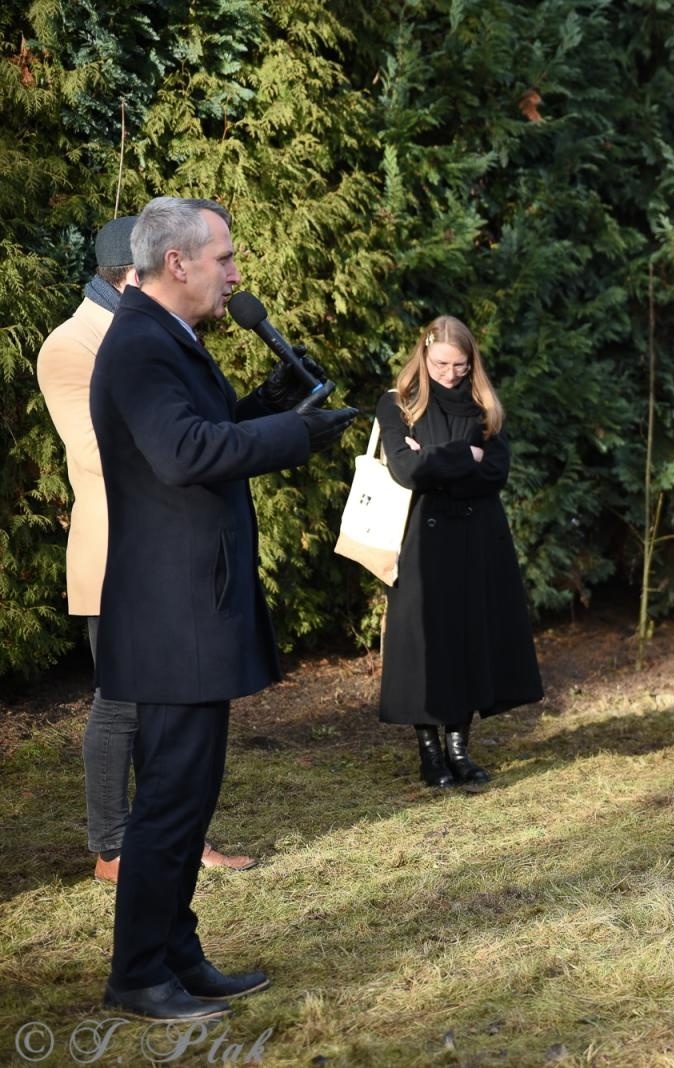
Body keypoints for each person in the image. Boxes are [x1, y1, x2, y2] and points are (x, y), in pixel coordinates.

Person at [89, 196, 357, 1021]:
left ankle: (177, 953)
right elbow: (184, 455)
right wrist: (292, 439)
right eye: (225, 259)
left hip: (187, 604)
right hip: (172, 611)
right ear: (179, 263)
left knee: (190, 790)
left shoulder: (164, 337)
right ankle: (138, 974)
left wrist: (273, 402)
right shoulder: (138, 345)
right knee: (171, 794)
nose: (236, 274)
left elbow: (205, 432)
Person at [38, 216, 255, 883]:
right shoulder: (73, 345)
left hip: (169, 544)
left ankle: (181, 839)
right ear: (136, 275)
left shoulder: (157, 334)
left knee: (173, 706)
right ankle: (112, 848)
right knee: (124, 702)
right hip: (117, 549)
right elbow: (102, 454)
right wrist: (188, 448)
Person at [375, 316, 544, 786]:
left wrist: (434, 460)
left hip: (476, 539)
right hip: (420, 543)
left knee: (470, 639)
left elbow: (496, 473)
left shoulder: (483, 405)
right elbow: (406, 471)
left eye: (460, 365)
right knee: (425, 645)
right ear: (424, 355)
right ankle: (430, 752)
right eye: (441, 364)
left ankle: (458, 747)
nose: (450, 374)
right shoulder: (398, 403)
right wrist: (462, 457)